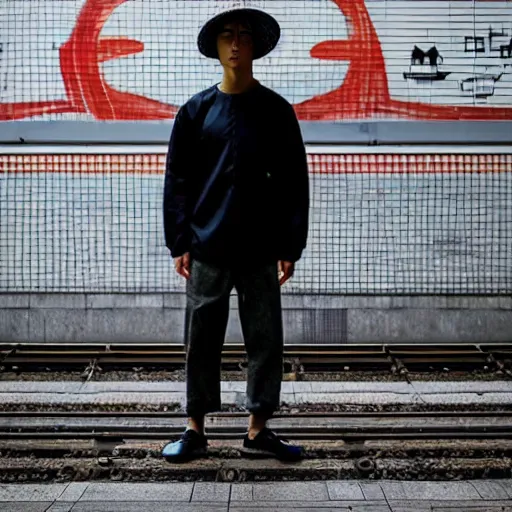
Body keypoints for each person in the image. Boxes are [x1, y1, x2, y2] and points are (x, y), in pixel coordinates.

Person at [161, 6, 309, 463]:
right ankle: (194, 429)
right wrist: (179, 241)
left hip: (261, 247)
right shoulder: (195, 112)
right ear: (218, 46)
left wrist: (291, 244)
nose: (237, 42)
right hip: (207, 244)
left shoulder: (276, 112)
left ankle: (257, 431)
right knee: (201, 338)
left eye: (245, 35)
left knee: (265, 339)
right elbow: (178, 181)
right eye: (229, 35)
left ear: (255, 46)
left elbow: (293, 181)